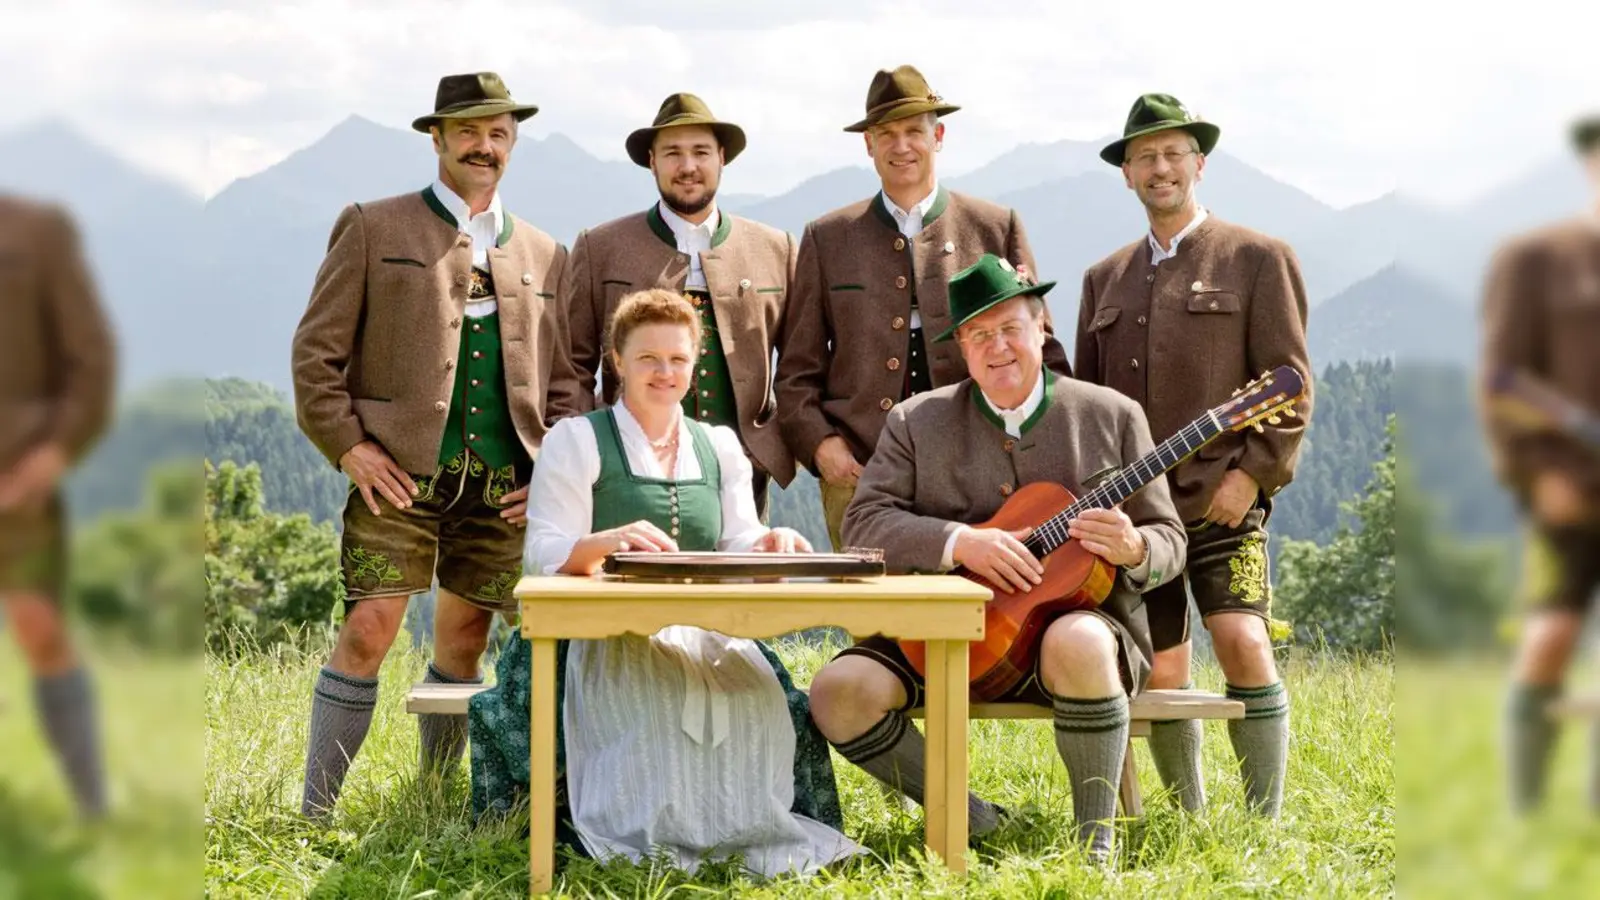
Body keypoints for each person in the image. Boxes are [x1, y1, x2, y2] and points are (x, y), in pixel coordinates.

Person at [468, 288, 863, 878]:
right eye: (648, 358)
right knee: (646, 715)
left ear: (694, 364)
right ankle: (648, 842)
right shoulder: (577, 440)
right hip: (599, 637)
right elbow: (542, 554)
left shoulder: (720, 446)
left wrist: (768, 543)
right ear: (617, 361)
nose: (665, 371)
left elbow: (736, 542)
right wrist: (599, 545)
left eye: (678, 359)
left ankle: (733, 835)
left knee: (755, 706)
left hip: (704, 629)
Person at [806, 255, 1186, 863]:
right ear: (961, 347)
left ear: (1043, 327)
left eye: (1010, 327)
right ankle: (973, 818)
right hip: (936, 634)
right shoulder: (914, 420)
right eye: (978, 335)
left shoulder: (1112, 415)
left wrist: (1137, 547)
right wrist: (961, 542)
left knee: (1081, 643)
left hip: (1070, 632)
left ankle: (1095, 846)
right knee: (836, 691)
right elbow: (863, 525)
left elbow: (1170, 537)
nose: (996, 346)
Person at [289, 72, 585, 818]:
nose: (484, 147)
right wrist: (350, 446)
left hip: (503, 486)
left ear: (512, 143)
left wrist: (550, 466)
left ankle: (435, 795)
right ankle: (316, 809)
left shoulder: (547, 253)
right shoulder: (371, 225)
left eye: (498, 134)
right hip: (396, 477)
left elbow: (567, 380)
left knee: (465, 640)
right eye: (469, 133)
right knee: (367, 630)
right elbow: (314, 356)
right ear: (438, 138)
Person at [1074, 93, 1313, 818]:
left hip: (1222, 502)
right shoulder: (1101, 280)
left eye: (1174, 153)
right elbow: (1087, 405)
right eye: (1144, 156)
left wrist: (1251, 476)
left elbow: (1293, 385)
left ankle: (1263, 823)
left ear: (1199, 164)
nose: (1160, 167)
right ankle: (1189, 820)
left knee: (1242, 640)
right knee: (1165, 670)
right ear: (1126, 175)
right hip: (1140, 522)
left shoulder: (1259, 258)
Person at [775, 64, 1073, 552]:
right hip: (861, 474)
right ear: (867, 145)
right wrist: (821, 447)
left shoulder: (994, 226)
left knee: (991, 618)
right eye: (885, 134)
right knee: (876, 625)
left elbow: (1043, 354)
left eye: (914, 131)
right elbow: (796, 372)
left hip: (983, 471)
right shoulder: (827, 238)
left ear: (938, 135)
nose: (901, 146)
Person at [562, 93, 796, 520]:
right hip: (625, 471)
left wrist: (771, 446)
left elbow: (800, 363)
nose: (688, 166)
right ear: (652, 161)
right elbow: (572, 367)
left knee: (739, 583)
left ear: (722, 158)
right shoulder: (601, 248)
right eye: (673, 153)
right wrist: (585, 455)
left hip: (744, 474)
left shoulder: (773, 248)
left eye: (701, 152)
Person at [1478, 112, 1600, 815]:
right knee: (1552, 635)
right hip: (1570, 491)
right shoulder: (1538, 258)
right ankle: (1526, 810)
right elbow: (1501, 382)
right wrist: (1539, 473)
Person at [0, 194, 116, 821]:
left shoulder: (37, 231)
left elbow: (91, 359)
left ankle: (91, 805)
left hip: (16, 480)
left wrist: (49, 458)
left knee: (39, 629)